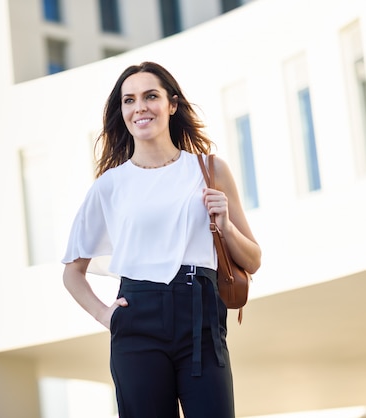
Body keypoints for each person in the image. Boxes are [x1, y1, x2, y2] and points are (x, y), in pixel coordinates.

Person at [61, 61, 261, 418]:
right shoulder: (110, 185)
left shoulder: (210, 170)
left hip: (200, 314)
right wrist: (107, 316)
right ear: (121, 111)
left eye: (150, 96)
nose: (140, 107)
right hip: (137, 320)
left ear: (171, 104)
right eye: (129, 100)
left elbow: (253, 260)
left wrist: (226, 225)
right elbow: (72, 272)